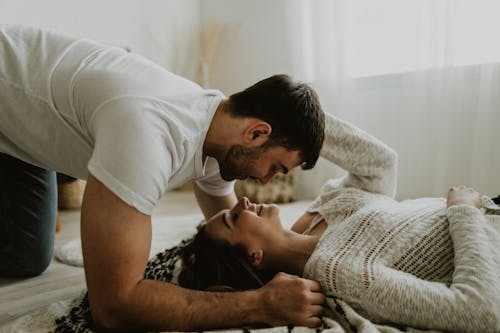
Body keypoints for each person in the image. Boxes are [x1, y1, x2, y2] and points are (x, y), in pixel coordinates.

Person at [0, 24, 326, 331]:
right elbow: (112, 307)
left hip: (21, 131)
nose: (266, 181)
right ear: (256, 133)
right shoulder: (147, 136)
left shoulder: (218, 130)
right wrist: (261, 305)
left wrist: (289, 256)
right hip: (7, 81)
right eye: (275, 168)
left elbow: (232, 230)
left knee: (27, 256)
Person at [201, 112, 500, 332]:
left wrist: (295, 121)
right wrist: (464, 213)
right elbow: (480, 312)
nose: (241, 202)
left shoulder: (320, 211)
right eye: (233, 218)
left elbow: (379, 163)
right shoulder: (345, 274)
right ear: (255, 256)